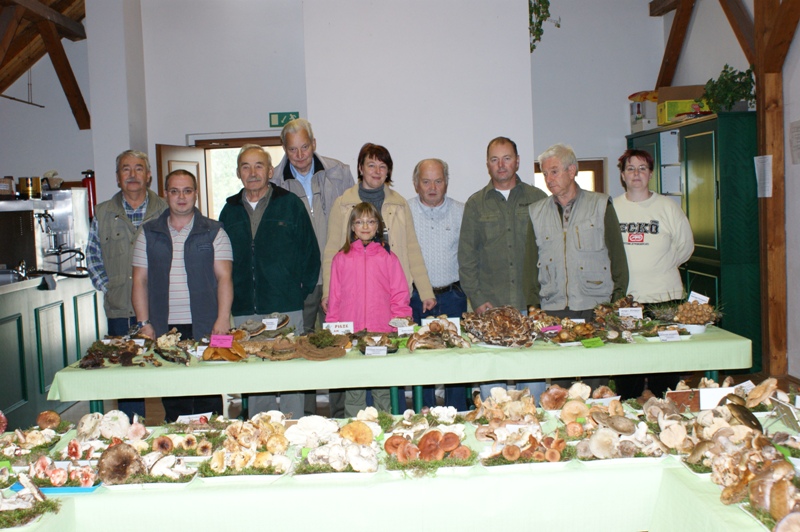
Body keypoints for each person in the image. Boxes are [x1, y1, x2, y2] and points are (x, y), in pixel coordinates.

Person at [322, 142, 434, 412]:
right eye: (371, 164)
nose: (376, 170)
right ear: (360, 168)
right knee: (354, 387)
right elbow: (331, 249)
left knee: (385, 386)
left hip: (385, 309)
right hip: (351, 314)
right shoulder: (342, 203)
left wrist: (425, 290)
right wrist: (328, 294)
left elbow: (411, 247)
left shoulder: (398, 204)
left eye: (382, 166)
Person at [219, 144, 320, 418]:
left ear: (270, 170)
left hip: (286, 306)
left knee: (290, 377)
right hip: (244, 311)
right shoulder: (228, 211)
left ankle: (294, 428)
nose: (253, 173)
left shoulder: (290, 204)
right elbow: (221, 262)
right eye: (246, 166)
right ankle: (259, 435)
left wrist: (300, 293)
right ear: (238, 172)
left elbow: (311, 254)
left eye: (259, 165)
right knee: (255, 377)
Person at [131, 169, 232, 422]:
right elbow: (139, 280)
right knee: (174, 394)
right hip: (165, 329)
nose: (181, 197)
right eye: (175, 191)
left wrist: (222, 319)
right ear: (166, 194)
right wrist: (144, 323)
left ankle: (212, 442)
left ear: (196, 194)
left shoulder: (214, 231)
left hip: (206, 326)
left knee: (207, 392)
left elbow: (225, 279)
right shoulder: (148, 232)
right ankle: (177, 447)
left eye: (187, 191)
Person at [271, 118, 354, 417]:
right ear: (284, 150)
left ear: (314, 144)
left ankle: (342, 414)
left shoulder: (339, 172)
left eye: (305, 147)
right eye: (293, 149)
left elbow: (355, 222)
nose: (300, 155)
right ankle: (304, 416)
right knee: (301, 348)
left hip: (337, 277)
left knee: (339, 344)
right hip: (301, 281)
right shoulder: (274, 182)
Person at [458, 137, 547, 403]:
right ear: (487, 164)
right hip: (490, 308)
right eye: (495, 159)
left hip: (529, 305)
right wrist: (477, 299)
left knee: (532, 380)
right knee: (492, 386)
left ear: (517, 161)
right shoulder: (476, 204)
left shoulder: (538, 199)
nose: (501, 164)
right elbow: (467, 257)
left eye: (506, 158)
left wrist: (541, 300)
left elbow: (548, 251)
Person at [86, 149, 167, 420]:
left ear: (149, 175)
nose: (132, 175)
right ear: (118, 177)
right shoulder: (104, 212)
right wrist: (109, 287)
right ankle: (133, 434)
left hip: (161, 308)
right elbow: (93, 253)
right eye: (126, 169)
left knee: (171, 370)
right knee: (128, 377)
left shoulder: (165, 210)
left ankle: (177, 430)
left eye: (139, 168)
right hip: (120, 310)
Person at [612, 149, 694, 399]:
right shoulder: (612, 208)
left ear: (650, 174)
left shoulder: (667, 208)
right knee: (627, 363)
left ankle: (667, 412)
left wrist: (661, 266)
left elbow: (686, 247)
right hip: (627, 300)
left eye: (642, 168)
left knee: (665, 362)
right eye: (630, 168)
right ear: (623, 175)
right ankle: (627, 408)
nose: (636, 174)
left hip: (664, 298)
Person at [326, 203, 412, 417]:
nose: (365, 226)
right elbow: (334, 298)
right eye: (359, 221)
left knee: (382, 389)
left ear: (378, 226)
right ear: (352, 227)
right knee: (354, 390)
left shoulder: (388, 258)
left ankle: (385, 429)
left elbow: (399, 295)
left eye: (371, 221)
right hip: (351, 336)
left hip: (381, 334)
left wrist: (400, 324)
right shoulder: (340, 258)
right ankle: (353, 432)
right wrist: (333, 330)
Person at [523, 143, 629, 319]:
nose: (549, 179)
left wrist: (616, 302)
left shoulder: (600, 205)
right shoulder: (536, 212)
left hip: (596, 307)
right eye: (545, 174)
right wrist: (533, 307)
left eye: (554, 172)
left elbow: (618, 259)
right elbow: (530, 266)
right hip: (552, 308)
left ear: (571, 171)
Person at [407, 158, 468, 411]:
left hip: (453, 296)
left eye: (438, 181)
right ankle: (426, 413)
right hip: (416, 297)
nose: (433, 187)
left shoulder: (461, 211)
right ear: (415, 184)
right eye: (426, 181)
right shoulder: (404, 211)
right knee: (422, 358)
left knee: (456, 357)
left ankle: (458, 412)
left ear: (446, 182)